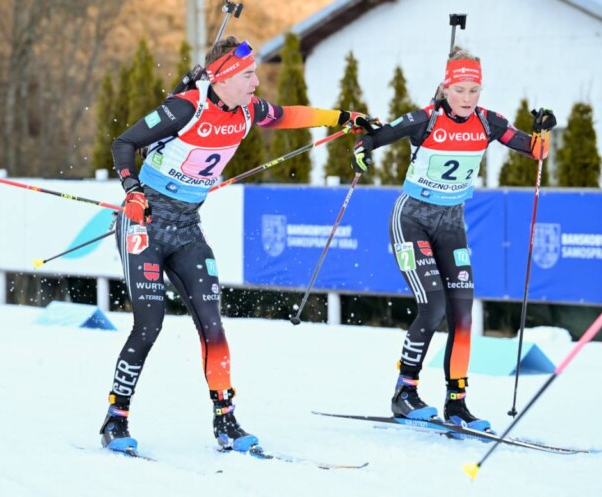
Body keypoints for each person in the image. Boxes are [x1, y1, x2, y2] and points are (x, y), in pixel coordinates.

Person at [100, 36, 375, 454]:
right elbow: (123, 143)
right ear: (223, 77)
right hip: (146, 223)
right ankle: (115, 418)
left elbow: (288, 115)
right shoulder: (186, 107)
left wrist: (341, 117)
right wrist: (132, 190)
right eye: (247, 75)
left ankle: (225, 419)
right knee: (149, 323)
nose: (255, 82)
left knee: (213, 324)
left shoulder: (248, 110)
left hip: (187, 228)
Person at [350, 47, 555, 431]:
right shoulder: (424, 119)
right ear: (445, 88)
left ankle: (457, 402)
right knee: (433, 307)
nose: (467, 98)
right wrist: (362, 150)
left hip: (451, 225)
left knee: (462, 314)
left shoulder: (488, 123)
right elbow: (376, 138)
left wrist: (543, 130)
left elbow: (535, 150)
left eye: (474, 90)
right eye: (460, 90)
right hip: (410, 221)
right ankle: (405, 392)